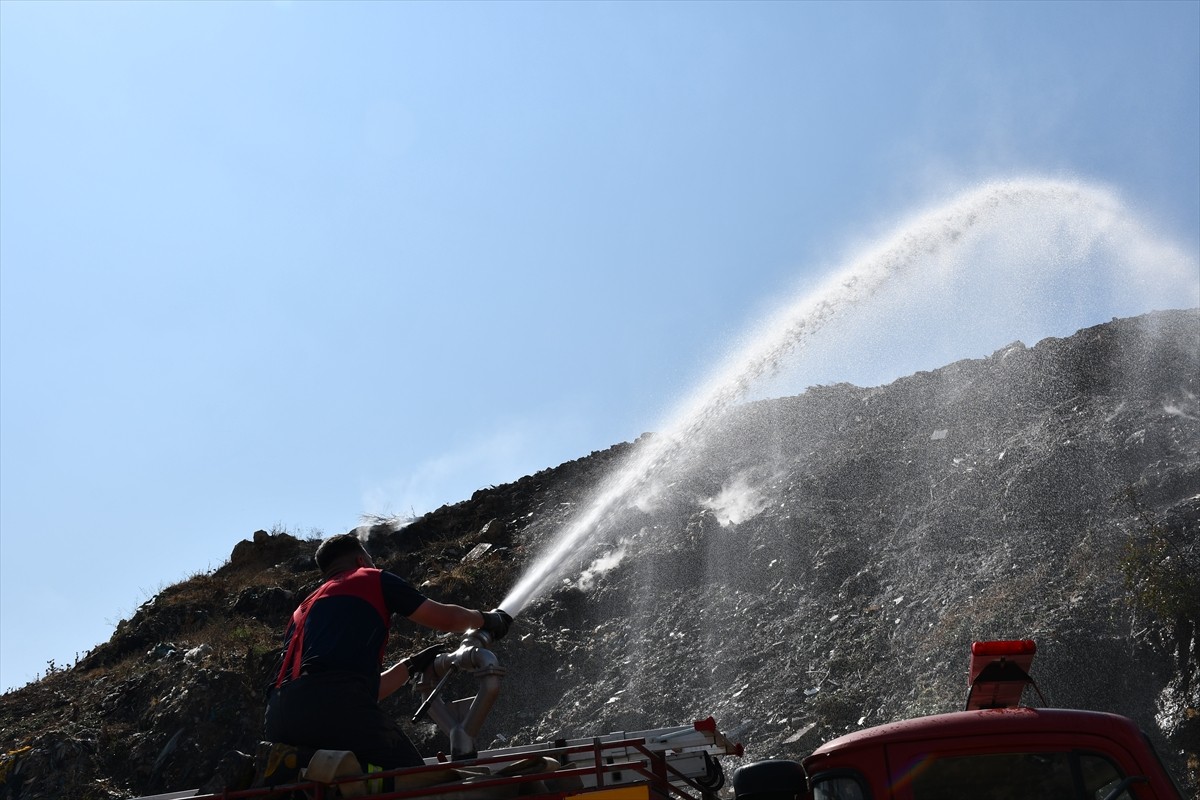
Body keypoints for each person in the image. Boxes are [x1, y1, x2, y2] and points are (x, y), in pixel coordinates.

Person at [263, 532, 512, 772]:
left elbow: (351, 691)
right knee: (411, 778)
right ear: (361, 560)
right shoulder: (369, 578)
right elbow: (446, 619)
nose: (373, 565)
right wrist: (488, 620)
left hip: (278, 715)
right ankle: (308, 763)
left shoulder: (303, 609)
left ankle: (294, 763)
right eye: (370, 560)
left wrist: (409, 666)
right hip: (331, 704)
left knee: (336, 781)